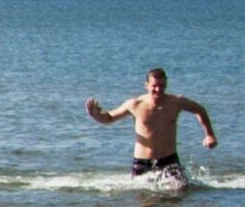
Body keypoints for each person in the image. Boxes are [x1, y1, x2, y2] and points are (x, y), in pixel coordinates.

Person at [87, 67, 217, 182]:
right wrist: (96, 115)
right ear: (146, 85)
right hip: (142, 162)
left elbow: (200, 110)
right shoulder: (135, 104)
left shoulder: (176, 102)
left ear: (166, 84)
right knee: (144, 204)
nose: (158, 89)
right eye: (154, 86)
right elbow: (109, 118)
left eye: (162, 85)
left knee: (178, 197)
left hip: (169, 160)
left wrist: (209, 134)